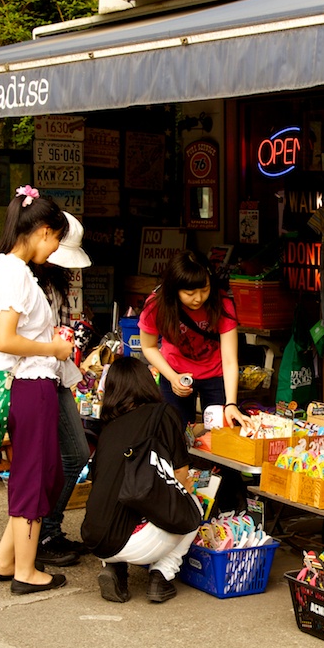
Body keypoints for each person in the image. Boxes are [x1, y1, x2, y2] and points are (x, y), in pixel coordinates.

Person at [0, 186, 76, 595]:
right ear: (42, 232)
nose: (54, 250)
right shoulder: (16, 273)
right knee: (34, 475)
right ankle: (26, 571)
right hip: (30, 384)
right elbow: (5, 340)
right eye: (55, 240)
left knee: (44, 472)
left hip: (29, 384)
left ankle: (5, 561)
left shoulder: (6, 268)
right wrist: (54, 348)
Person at [80, 355, 199, 603]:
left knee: (120, 505)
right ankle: (162, 576)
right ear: (147, 382)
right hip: (138, 543)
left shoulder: (107, 429)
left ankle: (114, 568)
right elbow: (180, 474)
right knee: (193, 507)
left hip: (96, 539)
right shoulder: (162, 413)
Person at [33, 212, 93, 567]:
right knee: (53, 460)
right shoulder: (22, 279)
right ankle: (42, 535)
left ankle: (50, 530)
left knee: (75, 455)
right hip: (35, 379)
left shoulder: (54, 282)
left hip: (56, 376)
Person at [138, 250, 250, 430]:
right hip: (175, 371)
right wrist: (172, 377)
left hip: (216, 375)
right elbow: (148, 347)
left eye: (204, 290)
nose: (198, 298)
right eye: (190, 293)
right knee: (177, 432)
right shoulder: (157, 304)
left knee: (219, 434)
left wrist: (231, 403)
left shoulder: (221, 302)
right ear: (174, 289)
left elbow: (230, 360)